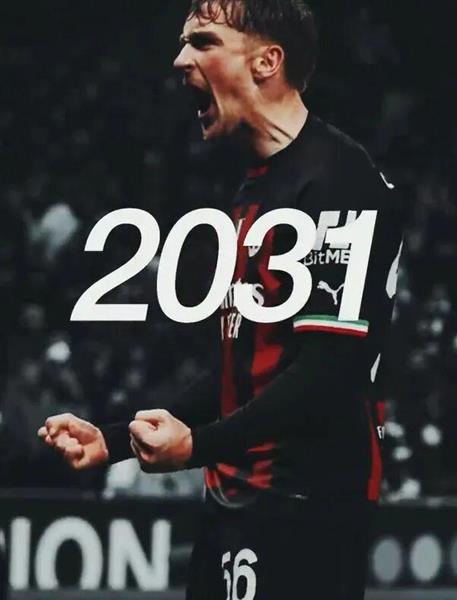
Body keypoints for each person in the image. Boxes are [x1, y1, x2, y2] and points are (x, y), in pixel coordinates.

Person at [39, 1, 405, 598]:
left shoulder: (339, 180)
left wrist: (195, 448)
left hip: (304, 505)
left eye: (204, 42)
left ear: (266, 61)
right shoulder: (254, 190)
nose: (180, 59)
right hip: (235, 499)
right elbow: (245, 368)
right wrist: (115, 439)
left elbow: (327, 371)